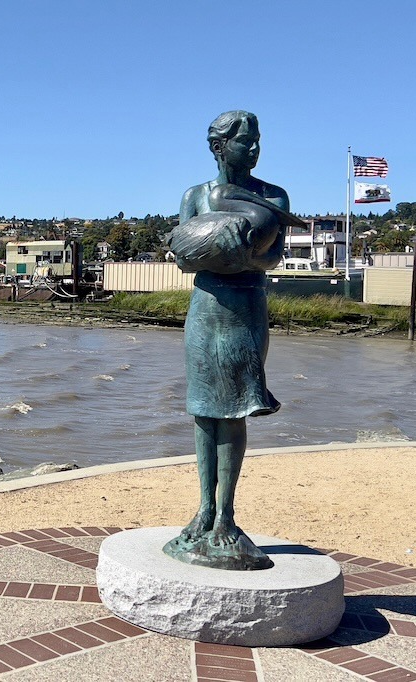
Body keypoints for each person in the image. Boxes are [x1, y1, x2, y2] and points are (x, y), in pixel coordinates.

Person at [169, 111, 294, 564]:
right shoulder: (195, 196)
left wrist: (240, 254)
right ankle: (203, 510)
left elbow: (274, 257)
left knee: (236, 408)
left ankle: (226, 514)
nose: (255, 149)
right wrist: (219, 251)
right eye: (246, 142)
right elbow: (184, 255)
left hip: (246, 307)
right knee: (203, 410)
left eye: (259, 140)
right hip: (205, 308)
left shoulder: (273, 197)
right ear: (221, 146)